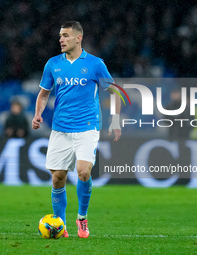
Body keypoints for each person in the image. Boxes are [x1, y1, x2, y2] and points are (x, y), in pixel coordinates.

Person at [32, 21, 121, 238]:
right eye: (60, 36)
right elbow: (44, 94)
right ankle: (60, 224)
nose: (60, 39)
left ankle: (82, 217)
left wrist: (115, 120)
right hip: (60, 128)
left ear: (78, 38)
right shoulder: (53, 64)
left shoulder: (95, 64)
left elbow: (115, 91)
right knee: (58, 178)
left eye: (65, 35)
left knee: (83, 171)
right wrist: (37, 114)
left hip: (87, 127)